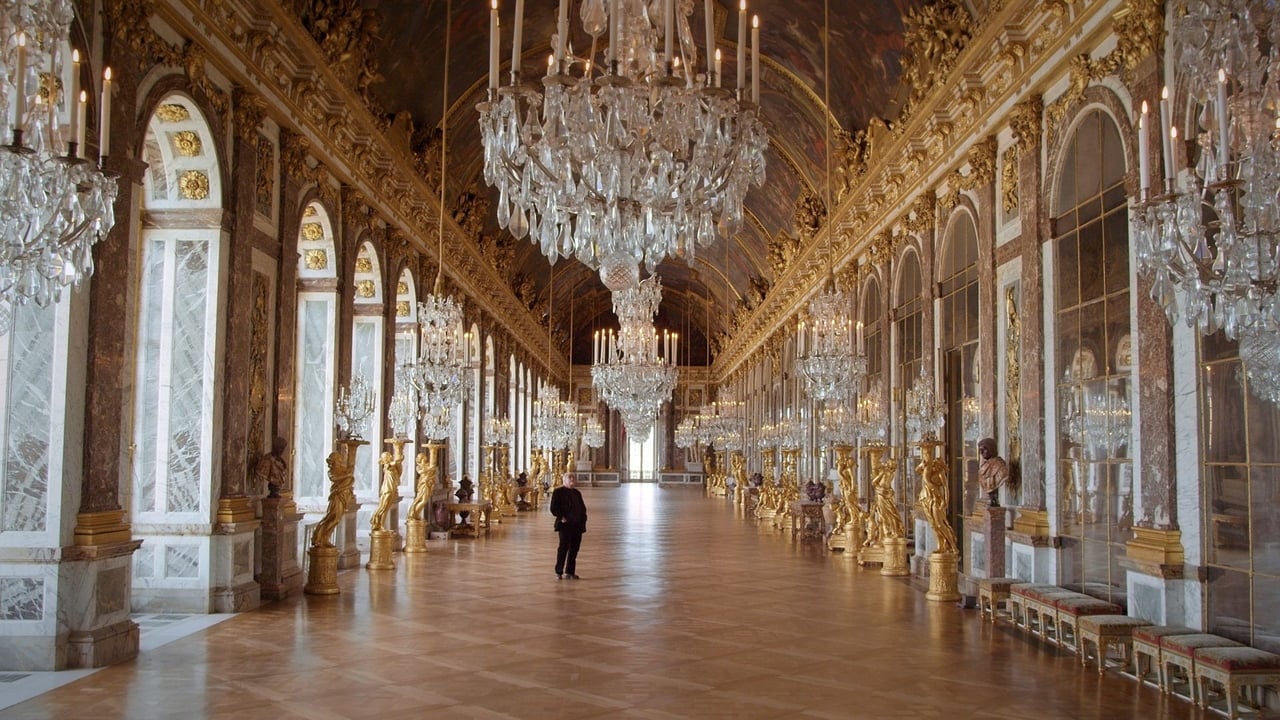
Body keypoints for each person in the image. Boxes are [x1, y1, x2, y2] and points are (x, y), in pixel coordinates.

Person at [549, 474, 587, 580]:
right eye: (569, 478)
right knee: (563, 548)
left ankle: (570, 572)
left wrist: (583, 519)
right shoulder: (558, 492)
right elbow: (553, 508)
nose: (572, 480)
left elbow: (583, 508)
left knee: (574, 549)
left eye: (573, 478)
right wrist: (561, 517)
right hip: (565, 525)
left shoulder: (577, 493)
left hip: (577, 525)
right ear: (564, 480)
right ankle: (559, 571)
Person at [977, 438, 1010, 507]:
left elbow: (1002, 476)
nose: (981, 452)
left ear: (991, 449)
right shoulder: (983, 467)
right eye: (980, 450)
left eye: (984, 449)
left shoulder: (1000, 466)